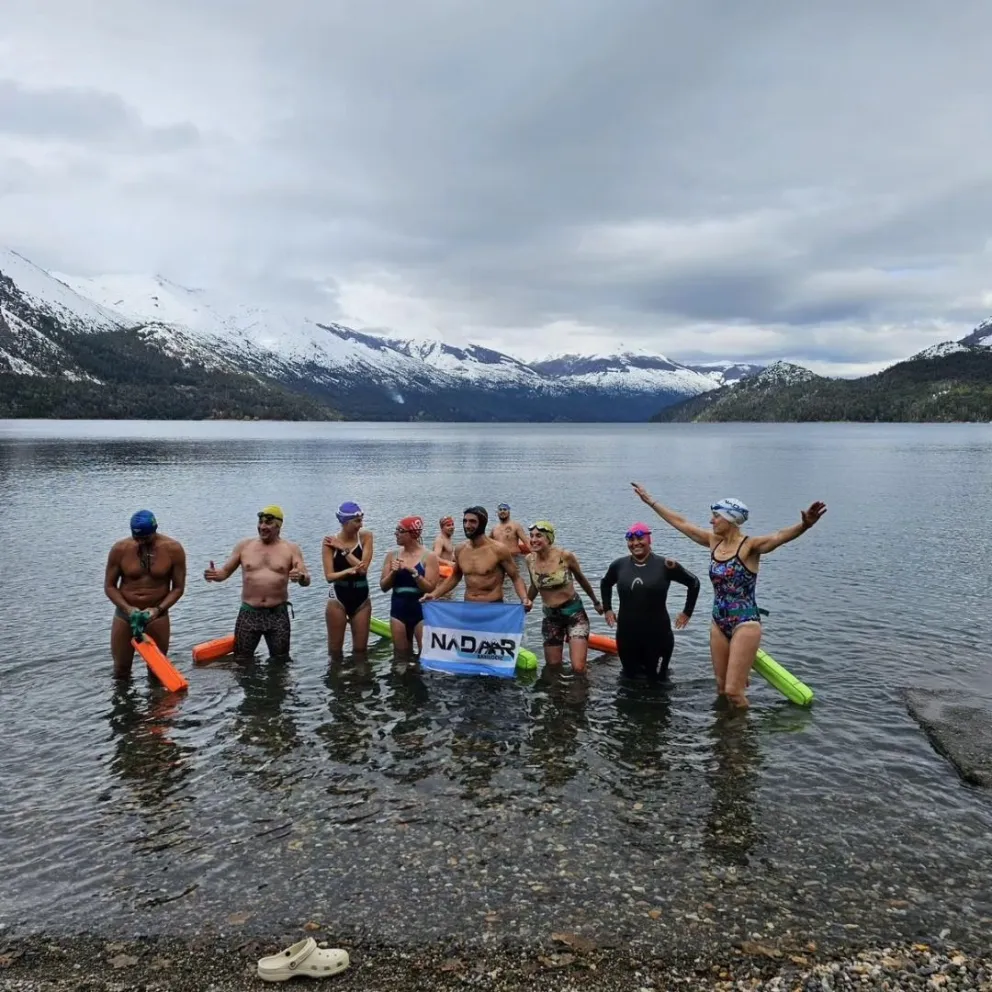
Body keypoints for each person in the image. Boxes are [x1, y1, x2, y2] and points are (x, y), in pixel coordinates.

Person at [631, 483, 827, 707]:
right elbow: (682, 524)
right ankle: (725, 737)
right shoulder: (714, 542)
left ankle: (743, 739)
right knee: (722, 689)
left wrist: (804, 525)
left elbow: (779, 536)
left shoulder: (750, 546)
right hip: (718, 621)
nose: (711, 521)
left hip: (745, 622)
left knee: (734, 692)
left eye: (716, 516)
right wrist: (651, 502)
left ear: (731, 519)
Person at [204, 505, 310, 659]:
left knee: (280, 662)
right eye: (260, 522)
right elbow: (225, 573)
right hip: (249, 613)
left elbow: (306, 579)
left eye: (268, 523)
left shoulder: (291, 549)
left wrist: (300, 577)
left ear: (278, 526)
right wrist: (214, 575)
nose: (262, 526)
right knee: (241, 660)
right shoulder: (244, 546)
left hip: (277, 615)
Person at [599, 522, 700, 682]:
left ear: (649, 540)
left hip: (658, 636)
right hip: (627, 635)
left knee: (659, 683)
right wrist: (608, 609)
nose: (635, 543)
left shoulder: (666, 565)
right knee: (628, 681)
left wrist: (687, 612)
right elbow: (605, 583)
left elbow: (693, 583)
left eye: (640, 538)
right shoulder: (619, 565)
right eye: (631, 540)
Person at [104, 510, 187, 678]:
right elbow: (110, 586)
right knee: (120, 670)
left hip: (157, 615)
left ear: (155, 531)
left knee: (157, 671)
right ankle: (123, 702)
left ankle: (157, 702)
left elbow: (178, 588)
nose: (141, 542)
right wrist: (128, 609)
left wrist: (157, 609)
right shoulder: (120, 549)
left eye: (146, 538)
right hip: (125, 615)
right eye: (137, 538)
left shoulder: (173, 549)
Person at [524, 520, 603, 673]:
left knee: (578, 668)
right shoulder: (529, 560)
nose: (533, 540)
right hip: (551, 618)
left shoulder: (565, 556)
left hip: (574, 614)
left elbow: (581, 578)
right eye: (531, 536)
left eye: (539, 536)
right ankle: (556, 696)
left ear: (549, 539)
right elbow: (535, 585)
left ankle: (583, 694)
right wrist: (526, 603)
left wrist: (596, 602)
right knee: (553, 668)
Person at [422, 505, 532, 608]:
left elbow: (516, 577)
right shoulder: (461, 549)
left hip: (492, 606)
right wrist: (434, 594)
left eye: (472, 522)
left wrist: (524, 599)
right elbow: (455, 577)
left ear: (482, 523)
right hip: (468, 605)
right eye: (465, 521)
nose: (467, 525)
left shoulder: (498, 550)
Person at [380, 516, 440, 654]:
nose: (396, 533)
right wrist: (393, 573)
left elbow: (430, 588)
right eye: (396, 530)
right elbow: (383, 587)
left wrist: (414, 573)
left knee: (425, 654)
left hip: (420, 611)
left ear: (412, 534)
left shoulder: (429, 557)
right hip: (398, 611)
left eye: (400, 530)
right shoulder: (391, 555)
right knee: (400, 657)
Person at [322, 501, 374, 654]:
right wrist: (348, 571)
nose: (361, 524)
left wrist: (343, 550)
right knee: (335, 652)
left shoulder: (365, 537)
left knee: (360, 651)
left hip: (362, 597)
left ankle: (360, 678)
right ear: (345, 522)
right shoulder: (329, 543)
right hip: (338, 598)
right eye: (357, 521)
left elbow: (363, 569)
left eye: (361, 520)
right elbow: (329, 577)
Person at [489, 502, 530, 601]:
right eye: (500, 510)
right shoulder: (494, 529)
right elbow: (485, 543)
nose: (502, 512)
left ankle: (518, 600)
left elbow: (526, 542)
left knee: (514, 581)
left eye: (505, 510)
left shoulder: (515, 526)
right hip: (499, 560)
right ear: (497, 513)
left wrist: (537, 554)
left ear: (509, 512)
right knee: (499, 582)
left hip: (514, 559)